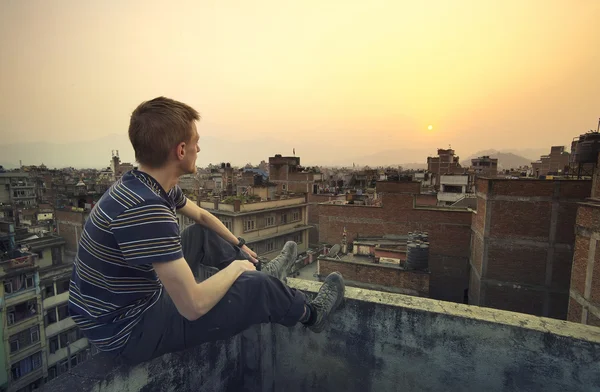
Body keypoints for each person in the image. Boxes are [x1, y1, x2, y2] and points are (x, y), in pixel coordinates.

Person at [68, 96, 345, 364]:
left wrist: (239, 246)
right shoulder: (147, 208)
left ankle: (265, 271)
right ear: (180, 150)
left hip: (115, 310)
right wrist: (238, 268)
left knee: (200, 235)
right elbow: (193, 306)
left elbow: (201, 215)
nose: (198, 150)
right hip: (127, 331)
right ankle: (311, 314)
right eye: (195, 142)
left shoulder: (142, 184)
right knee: (255, 287)